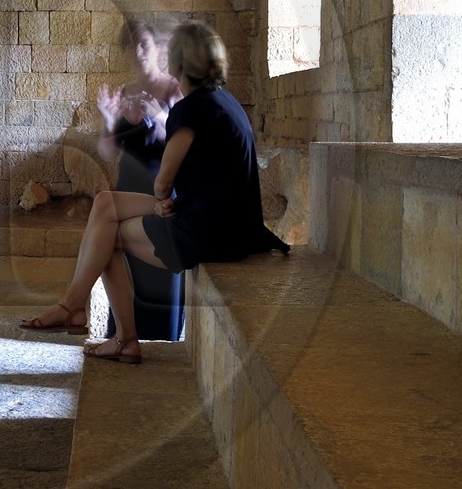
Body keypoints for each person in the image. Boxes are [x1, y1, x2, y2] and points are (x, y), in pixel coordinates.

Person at [19, 21, 289, 364]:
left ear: (177, 62)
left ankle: (105, 327)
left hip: (210, 232)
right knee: (104, 204)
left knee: (107, 234)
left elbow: (164, 180)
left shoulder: (192, 107)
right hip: (228, 222)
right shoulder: (225, 100)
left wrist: (161, 184)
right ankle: (78, 311)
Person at [95, 20, 185, 341]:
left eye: (144, 44)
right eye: (132, 45)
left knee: (158, 259)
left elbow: (182, 139)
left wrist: (158, 116)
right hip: (128, 185)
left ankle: (161, 336)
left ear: (158, 50)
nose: (138, 51)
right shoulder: (126, 93)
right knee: (123, 256)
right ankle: (124, 332)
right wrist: (108, 121)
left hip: (161, 187)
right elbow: (108, 152)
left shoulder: (174, 89)